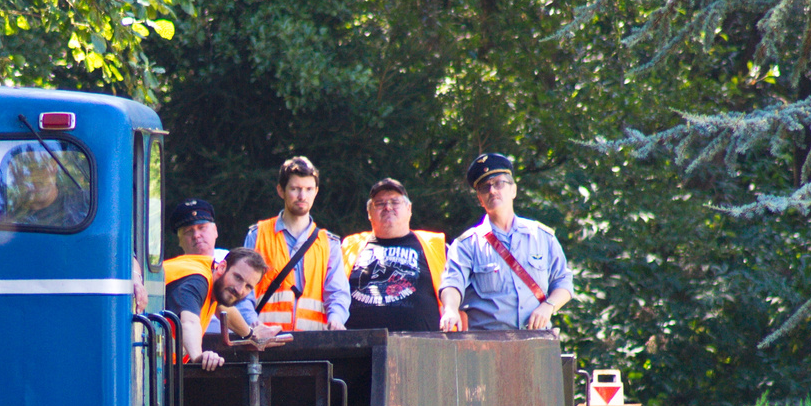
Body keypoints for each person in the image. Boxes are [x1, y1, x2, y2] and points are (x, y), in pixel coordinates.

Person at [438, 153, 573, 331]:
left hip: (536, 342)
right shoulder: (466, 245)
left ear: (513, 190)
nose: (492, 191)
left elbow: (564, 282)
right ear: (480, 199)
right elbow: (452, 283)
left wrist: (548, 306)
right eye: (485, 188)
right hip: (487, 346)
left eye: (499, 183)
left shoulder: (542, 237)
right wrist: (450, 309)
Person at [242, 157, 350, 331]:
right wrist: (251, 323)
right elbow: (242, 289)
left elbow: (337, 293)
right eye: (295, 189)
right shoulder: (257, 235)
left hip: (315, 346)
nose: (302, 196)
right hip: (265, 343)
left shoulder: (329, 244)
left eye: (308, 189)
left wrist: (336, 319)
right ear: (280, 190)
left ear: (316, 192)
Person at [340, 179, 448, 331]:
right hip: (356, 349)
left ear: (409, 208)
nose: (387, 207)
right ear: (369, 212)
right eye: (379, 203)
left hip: (422, 348)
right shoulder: (349, 247)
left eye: (395, 202)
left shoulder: (436, 246)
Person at [163, 248, 277, 370]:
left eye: (248, 286)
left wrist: (251, 336)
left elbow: (225, 310)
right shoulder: (197, 281)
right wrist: (198, 357)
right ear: (222, 267)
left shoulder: (214, 278)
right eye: (238, 278)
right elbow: (189, 322)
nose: (240, 290)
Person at [169, 197, 259, 336]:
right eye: (188, 231)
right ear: (179, 240)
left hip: (227, 343)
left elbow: (226, 307)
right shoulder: (178, 272)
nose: (196, 235)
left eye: (202, 228)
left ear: (215, 230)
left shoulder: (234, 263)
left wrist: (251, 333)